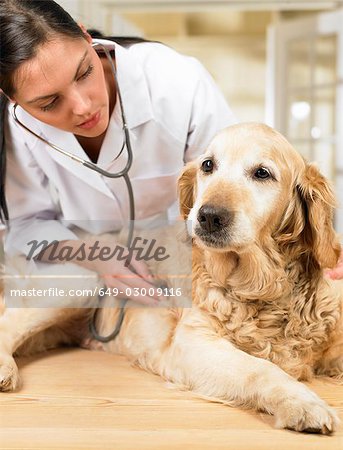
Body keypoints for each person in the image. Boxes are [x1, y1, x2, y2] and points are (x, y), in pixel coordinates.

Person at [0, 0, 342, 308]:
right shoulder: (19, 132)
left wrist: (323, 245)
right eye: (48, 103)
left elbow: (235, 187)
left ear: (87, 38)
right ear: (13, 100)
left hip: (183, 260)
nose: (83, 106)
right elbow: (27, 225)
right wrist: (96, 257)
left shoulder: (177, 82)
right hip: (83, 267)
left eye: (84, 72)